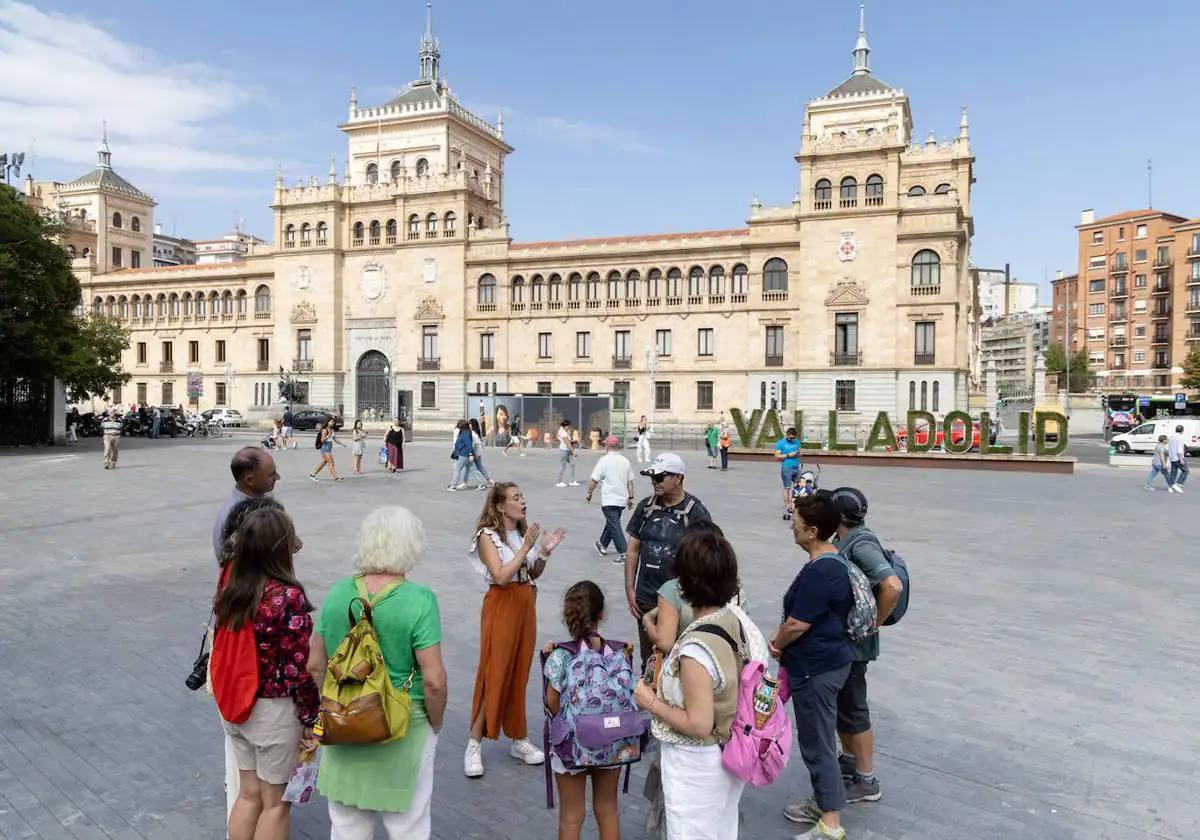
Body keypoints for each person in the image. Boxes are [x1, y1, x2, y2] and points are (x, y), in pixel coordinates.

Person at [307, 507, 448, 839]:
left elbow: (314, 663)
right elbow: (434, 680)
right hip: (403, 725)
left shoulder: (340, 592)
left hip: (344, 723)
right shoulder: (420, 600)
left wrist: (326, 707)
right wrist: (435, 722)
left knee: (347, 827)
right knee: (408, 826)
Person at [632, 530, 766, 840]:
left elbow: (699, 723)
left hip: (697, 765)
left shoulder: (695, 649)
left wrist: (650, 701)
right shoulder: (735, 618)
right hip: (730, 751)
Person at [214, 506, 319, 840]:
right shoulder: (287, 596)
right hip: (273, 712)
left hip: (236, 705)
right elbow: (297, 668)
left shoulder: (232, 589)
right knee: (276, 805)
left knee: (248, 794)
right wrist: (311, 717)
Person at [465, 483, 567, 778]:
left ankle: (518, 738)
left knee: (520, 672)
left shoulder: (522, 533)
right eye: (516, 498)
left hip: (525, 603)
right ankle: (474, 743)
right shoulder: (487, 536)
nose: (523, 502)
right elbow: (500, 576)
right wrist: (525, 548)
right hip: (502, 604)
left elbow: (531, 572)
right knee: (493, 671)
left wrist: (544, 553)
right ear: (499, 506)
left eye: (522, 496)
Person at [771, 493, 853, 840]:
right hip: (825, 661)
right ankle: (823, 802)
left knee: (818, 743)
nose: (793, 528)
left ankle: (830, 824)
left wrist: (775, 644)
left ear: (813, 531)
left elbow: (797, 624)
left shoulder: (823, 571)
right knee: (818, 738)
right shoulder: (832, 562)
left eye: (798, 524)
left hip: (816, 668)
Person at [826, 488, 903, 806]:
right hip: (846, 641)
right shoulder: (849, 538)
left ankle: (867, 780)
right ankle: (851, 760)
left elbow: (891, 585)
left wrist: (873, 623)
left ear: (841, 516)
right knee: (845, 706)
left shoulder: (862, 543)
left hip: (855, 645)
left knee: (854, 708)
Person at [542, 581, 627, 840]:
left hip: (572, 743)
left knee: (571, 816)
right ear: (601, 614)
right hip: (611, 740)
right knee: (608, 810)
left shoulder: (560, 656)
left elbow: (551, 701)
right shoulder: (617, 652)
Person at [625, 453, 712, 671]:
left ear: (678, 477)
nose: (655, 482)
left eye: (661, 477)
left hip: (680, 602)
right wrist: (629, 589)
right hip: (646, 597)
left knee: (679, 661)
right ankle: (651, 701)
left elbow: (707, 558)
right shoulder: (646, 507)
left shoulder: (695, 512)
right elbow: (633, 550)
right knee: (650, 662)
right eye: (653, 478)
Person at [213, 447, 281, 559]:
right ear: (249, 480)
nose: (277, 477)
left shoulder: (255, 502)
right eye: (271, 475)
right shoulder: (238, 517)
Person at [586, 434, 635, 566]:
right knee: (613, 522)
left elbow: (594, 479)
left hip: (609, 499)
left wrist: (589, 493)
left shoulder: (604, 460)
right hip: (622, 499)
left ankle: (624, 552)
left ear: (607, 446)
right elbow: (630, 481)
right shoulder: (625, 461)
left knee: (614, 525)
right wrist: (631, 497)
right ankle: (602, 544)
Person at [774, 427, 803, 520]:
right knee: (787, 487)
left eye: (793, 438)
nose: (792, 439)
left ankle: (794, 505)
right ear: (786, 435)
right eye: (790, 438)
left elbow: (800, 453)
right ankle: (787, 507)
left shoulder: (797, 441)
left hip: (796, 466)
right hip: (786, 467)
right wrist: (787, 455)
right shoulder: (780, 443)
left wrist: (798, 453)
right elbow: (776, 456)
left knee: (798, 487)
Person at [310, 418, 345, 482]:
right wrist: (328, 435)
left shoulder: (332, 430)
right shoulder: (324, 430)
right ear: (327, 422)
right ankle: (336, 477)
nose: (332, 423)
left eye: (333, 422)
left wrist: (342, 444)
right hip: (325, 447)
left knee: (323, 463)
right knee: (331, 463)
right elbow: (322, 440)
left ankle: (312, 475)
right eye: (331, 421)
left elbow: (335, 439)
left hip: (329, 448)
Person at [448, 420, 479, 491]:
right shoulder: (465, 433)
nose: (457, 427)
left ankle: (453, 486)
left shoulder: (465, 434)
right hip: (466, 455)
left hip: (463, 455)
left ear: (461, 426)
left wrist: (471, 454)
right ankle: (480, 484)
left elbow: (469, 445)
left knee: (457, 470)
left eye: (458, 426)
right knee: (473, 470)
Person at [469, 418, 495, 488]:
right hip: (478, 452)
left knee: (472, 467)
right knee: (479, 467)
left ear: (472, 425)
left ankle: (480, 482)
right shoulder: (476, 432)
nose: (469, 425)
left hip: (476, 453)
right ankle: (490, 480)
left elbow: (476, 444)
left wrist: (474, 454)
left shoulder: (473, 433)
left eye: (470, 424)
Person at [556, 420, 580, 487]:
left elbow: (558, 437)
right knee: (562, 466)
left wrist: (572, 442)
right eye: (568, 425)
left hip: (568, 451)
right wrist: (573, 452)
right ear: (564, 426)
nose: (569, 427)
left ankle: (572, 481)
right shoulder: (564, 434)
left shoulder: (564, 432)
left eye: (569, 425)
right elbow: (568, 444)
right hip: (564, 451)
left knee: (572, 464)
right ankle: (559, 481)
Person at [1168, 424, 1190, 493]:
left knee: (1173, 472)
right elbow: (1179, 450)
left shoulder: (1171, 437)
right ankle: (1179, 483)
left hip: (1172, 457)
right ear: (1182, 430)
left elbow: (1169, 447)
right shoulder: (1180, 438)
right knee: (1186, 470)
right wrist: (1181, 459)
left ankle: (1170, 486)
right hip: (1178, 457)